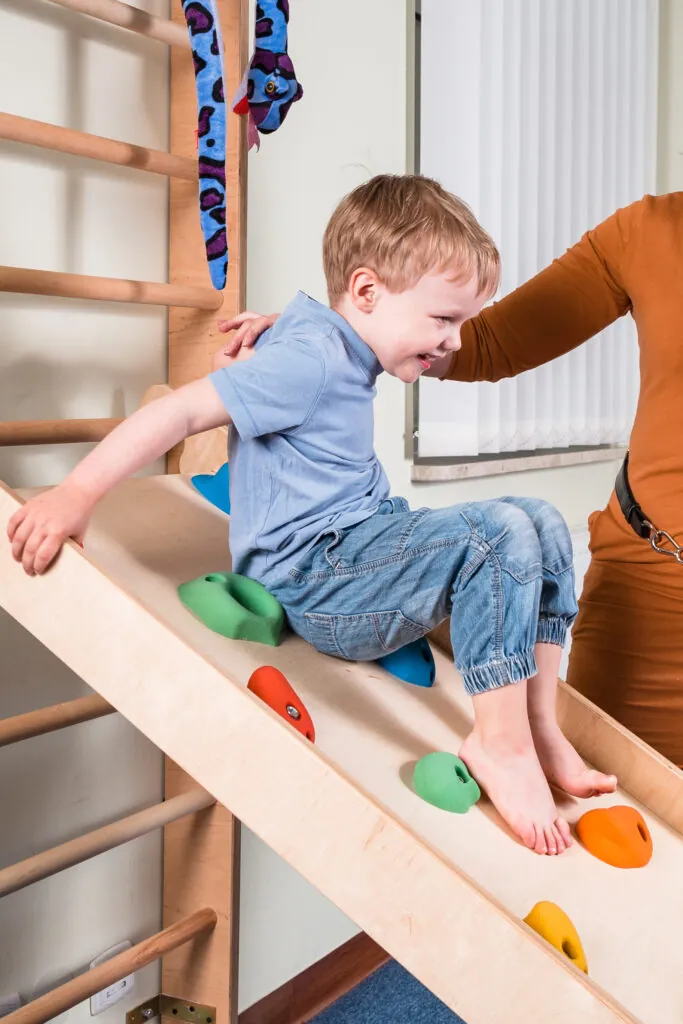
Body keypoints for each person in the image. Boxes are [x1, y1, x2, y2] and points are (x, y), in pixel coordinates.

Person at [7, 174, 616, 854]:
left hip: (358, 545)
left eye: (461, 322)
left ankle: (536, 722)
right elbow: (179, 410)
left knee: (536, 518)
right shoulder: (308, 361)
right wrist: (76, 493)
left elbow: (310, 339)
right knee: (498, 534)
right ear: (364, 292)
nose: (451, 341)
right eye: (442, 319)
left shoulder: (323, 335)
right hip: (319, 584)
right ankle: (498, 745)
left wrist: (278, 326)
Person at [219, 191, 683, 771]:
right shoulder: (654, 231)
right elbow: (486, 343)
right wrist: (333, 334)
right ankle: (517, 743)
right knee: (619, 822)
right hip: (652, 593)